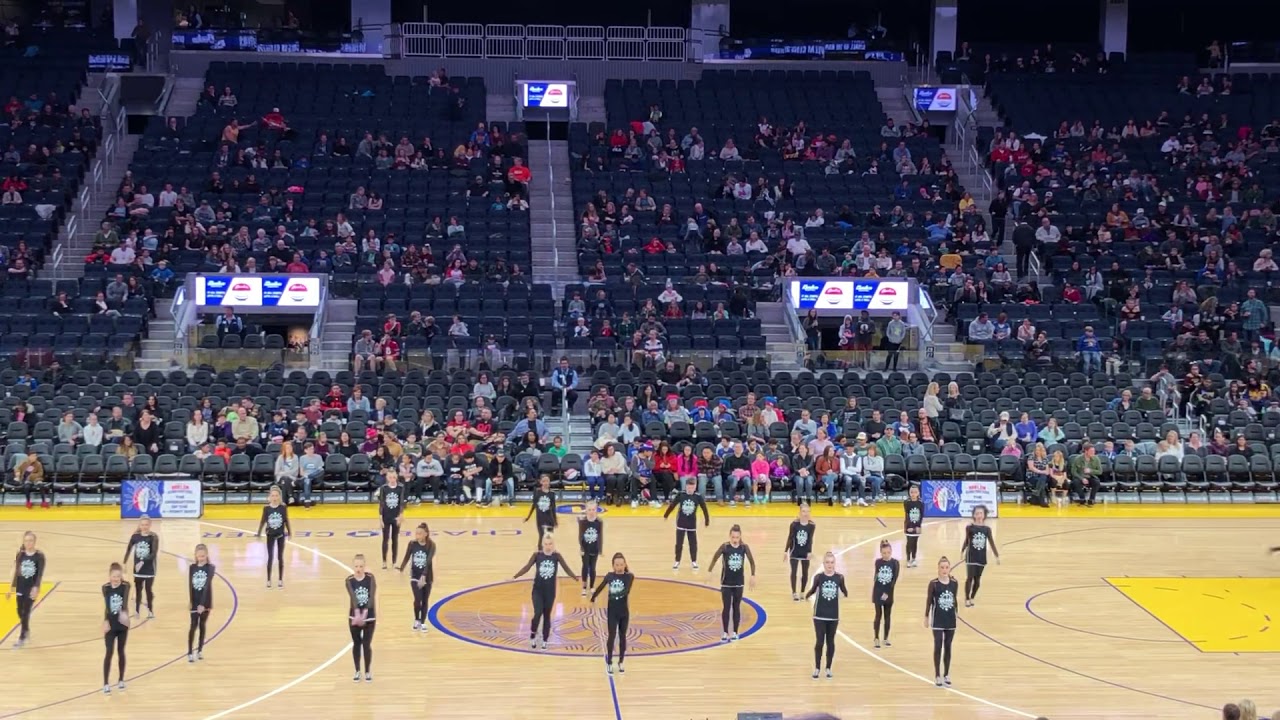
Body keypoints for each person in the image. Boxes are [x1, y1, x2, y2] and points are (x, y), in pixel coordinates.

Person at [512, 533, 578, 650]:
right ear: (542, 544)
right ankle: (533, 633)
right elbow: (527, 567)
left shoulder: (557, 556)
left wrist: (575, 577)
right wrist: (514, 576)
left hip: (550, 592)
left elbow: (566, 568)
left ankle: (545, 640)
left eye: (550, 544)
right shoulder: (537, 555)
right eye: (546, 544)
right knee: (538, 613)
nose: (548, 546)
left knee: (547, 615)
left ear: (553, 544)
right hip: (538, 590)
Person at [707, 524, 757, 642]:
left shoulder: (744, 547)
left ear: (740, 537)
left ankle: (735, 632)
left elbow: (752, 562)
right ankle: (725, 632)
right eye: (733, 537)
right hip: (726, 583)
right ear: (730, 536)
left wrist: (753, 575)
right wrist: (709, 571)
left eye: (737, 537)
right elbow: (715, 558)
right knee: (726, 607)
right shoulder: (725, 547)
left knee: (736, 607)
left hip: (739, 583)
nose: (735, 540)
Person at [804, 550, 847, 679]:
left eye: (832, 562)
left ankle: (828, 668)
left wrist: (842, 594)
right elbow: (812, 590)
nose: (830, 565)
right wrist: (806, 596)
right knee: (819, 642)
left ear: (835, 564)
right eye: (827, 562)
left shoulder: (839, 578)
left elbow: (845, 592)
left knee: (830, 642)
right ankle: (817, 668)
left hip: (833, 616)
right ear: (823, 564)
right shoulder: (819, 577)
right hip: (819, 614)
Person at [590, 552, 634, 674]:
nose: (619, 567)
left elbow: (626, 591)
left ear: (625, 565)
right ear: (613, 566)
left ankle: (621, 661)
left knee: (622, 636)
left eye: (621, 564)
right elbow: (601, 587)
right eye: (617, 565)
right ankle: (609, 662)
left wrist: (614, 594)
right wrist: (593, 597)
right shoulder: (610, 576)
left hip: (624, 612)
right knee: (612, 635)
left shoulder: (629, 577)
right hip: (612, 612)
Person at [925, 556, 960, 687]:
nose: (944, 570)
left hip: (950, 619)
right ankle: (937, 675)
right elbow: (929, 601)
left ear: (949, 568)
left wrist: (957, 613)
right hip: (938, 620)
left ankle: (946, 674)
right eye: (942, 567)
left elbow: (954, 599)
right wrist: (926, 616)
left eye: (946, 567)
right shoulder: (933, 584)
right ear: (938, 569)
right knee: (938, 646)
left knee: (948, 647)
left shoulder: (954, 583)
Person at [6, 531, 45, 648]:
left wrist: (36, 587)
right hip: (20, 586)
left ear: (34, 542)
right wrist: (10, 588)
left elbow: (40, 574)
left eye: (30, 540)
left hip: (31, 588)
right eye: (26, 540)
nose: (28, 543)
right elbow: (15, 571)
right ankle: (26, 629)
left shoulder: (39, 556)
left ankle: (21, 638)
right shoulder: (20, 555)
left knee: (25, 612)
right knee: (19, 611)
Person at [663, 477, 710, 570]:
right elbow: (673, 505)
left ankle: (694, 561)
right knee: (679, 543)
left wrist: (707, 520)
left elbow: (704, 508)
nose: (690, 489)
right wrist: (666, 515)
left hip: (691, 524)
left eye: (692, 487)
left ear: (695, 487)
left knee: (693, 543)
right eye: (689, 487)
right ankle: (677, 561)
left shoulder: (698, 496)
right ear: (686, 486)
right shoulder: (681, 495)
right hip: (681, 523)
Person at [397, 523, 436, 633]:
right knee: (418, 599)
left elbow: (428, 561)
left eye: (420, 533)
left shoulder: (431, 545)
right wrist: (401, 568)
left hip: (427, 576)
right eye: (416, 533)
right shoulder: (412, 544)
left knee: (425, 600)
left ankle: (423, 622)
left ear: (426, 534)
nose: (417, 535)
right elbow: (407, 556)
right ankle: (416, 619)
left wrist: (424, 575)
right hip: (415, 575)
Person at [346, 554, 378, 682]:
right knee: (356, 643)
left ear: (364, 566)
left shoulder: (370, 578)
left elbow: (371, 596)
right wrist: (357, 614)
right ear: (353, 567)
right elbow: (353, 597)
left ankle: (367, 671)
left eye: (361, 566)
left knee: (366, 644)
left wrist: (364, 613)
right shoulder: (349, 580)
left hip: (369, 617)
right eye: (356, 566)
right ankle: (357, 670)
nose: (358, 569)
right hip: (354, 616)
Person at [101, 562, 131, 694]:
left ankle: (121, 680)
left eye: (118, 576)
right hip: (110, 625)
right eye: (114, 576)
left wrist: (124, 613)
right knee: (109, 652)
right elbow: (107, 606)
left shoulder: (125, 586)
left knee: (121, 651)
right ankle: (106, 683)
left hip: (122, 625)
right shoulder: (105, 588)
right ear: (109, 576)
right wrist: (105, 620)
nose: (116, 579)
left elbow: (125, 598)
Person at [961, 505, 999, 607]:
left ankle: (972, 597)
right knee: (969, 577)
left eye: (981, 513)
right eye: (977, 513)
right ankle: (967, 598)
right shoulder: (969, 527)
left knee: (977, 579)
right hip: (971, 556)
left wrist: (996, 555)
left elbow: (991, 542)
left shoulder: (987, 529)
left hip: (981, 557)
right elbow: (967, 541)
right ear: (974, 515)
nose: (979, 515)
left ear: (984, 515)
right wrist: (962, 551)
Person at [254, 485, 292, 588]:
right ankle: (268, 579)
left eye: (276, 496)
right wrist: (259, 532)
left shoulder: (283, 507)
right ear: (269, 497)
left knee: (280, 557)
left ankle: (280, 579)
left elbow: (286, 520)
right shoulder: (266, 508)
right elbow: (262, 521)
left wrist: (289, 532)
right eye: (273, 496)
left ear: (279, 497)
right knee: (270, 557)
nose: (274, 498)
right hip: (270, 535)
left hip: (280, 535)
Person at [122, 515, 159, 618]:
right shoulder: (135, 536)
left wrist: (142, 562)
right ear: (139, 525)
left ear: (150, 525)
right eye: (142, 525)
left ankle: (150, 610)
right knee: (138, 589)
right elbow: (128, 549)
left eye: (146, 525)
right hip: (138, 569)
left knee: (148, 589)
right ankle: (137, 610)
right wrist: (124, 563)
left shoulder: (153, 537)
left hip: (149, 568)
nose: (144, 527)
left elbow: (153, 554)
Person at [187, 543, 214, 661]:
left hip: (205, 601)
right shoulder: (192, 567)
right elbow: (190, 585)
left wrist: (202, 604)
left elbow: (207, 586)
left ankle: (200, 650)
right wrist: (191, 601)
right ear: (195, 556)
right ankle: (190, 652)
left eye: (203, 556)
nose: (201, 558)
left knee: (202, 625)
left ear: (207, 555)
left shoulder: (210, 568)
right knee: (193, 626)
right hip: (195, 601)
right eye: (199, 556)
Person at [872, 539, 900, 648]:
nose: (886, 555)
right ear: (880, 552)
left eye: (888, 552)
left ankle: (886, 637)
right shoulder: (878, 562)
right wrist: (878, 592)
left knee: (887, 616)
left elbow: (894, 580)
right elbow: (876, 578)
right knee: (878, 615)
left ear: (891, 552)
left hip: (889, 593)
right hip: (878, 592)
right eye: (884, 553)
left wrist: (887, 593)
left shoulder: (895, 563)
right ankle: (876, 638)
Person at [785, 503, 816, 600]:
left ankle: (802, 592)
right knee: (794, 572)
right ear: (800, 512)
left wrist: (810, 551)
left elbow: (810, 539)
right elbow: (790, 537)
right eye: (803, 511)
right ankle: (794, 592)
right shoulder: (794, 524)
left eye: (807, 511)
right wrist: (786, 551)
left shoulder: (812, 525)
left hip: (805, 551)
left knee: (805, 573)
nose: (805, 513)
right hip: (794, 551)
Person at [376, 471, 406, 569]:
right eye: (390, 477)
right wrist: (380, 517)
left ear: (396, 477)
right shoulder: (384, 488)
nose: (392, 479)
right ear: (387, 478)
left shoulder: (400, 487)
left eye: (394, 477)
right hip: (386, 516)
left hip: (396, 516)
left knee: (395, 539)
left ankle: (394, 562)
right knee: (385, 539)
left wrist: (401, 515)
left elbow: (401, 502)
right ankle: (384, 561)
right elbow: (381, 503)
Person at [523, 475, 558, 548]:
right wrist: (528, 517)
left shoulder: (552, 494)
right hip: (540, 518)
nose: (546, 483)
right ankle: (540, 552)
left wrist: (555, 521)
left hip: (549, 518)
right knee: (541, 536)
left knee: (549, 538)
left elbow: (553, 508)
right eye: (544, 481)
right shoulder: (537, 492)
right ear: (541, 482)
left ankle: (549, 551)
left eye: (547, 481)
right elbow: (533, 505)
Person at [578, 502, 603, 596]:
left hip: (594, 548)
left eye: (593, 510)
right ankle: (584, 587)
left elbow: (600, 536)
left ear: (596, 510)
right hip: (585, 548)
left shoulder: (599, 522)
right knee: (585, 567)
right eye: (589, 510)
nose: (591, 512)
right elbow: (580, 536)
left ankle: (592, 586)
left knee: (592, 568)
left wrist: (600, 549)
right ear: (586, 511)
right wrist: (581, 548)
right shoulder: (583, 521)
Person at [903, 484, 924, 567]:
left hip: (917, 525)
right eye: (911, 492)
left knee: (915, 542)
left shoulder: (921, 503)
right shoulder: (907, 502)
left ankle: (914, 558)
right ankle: (908, 559)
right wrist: (909, 527)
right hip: (909, 525)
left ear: (918, 493)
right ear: (909, 493)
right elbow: (907, 515)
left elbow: (921, 515)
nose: (913, 494)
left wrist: (918, 526)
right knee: (909, 542)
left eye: (915, 492)